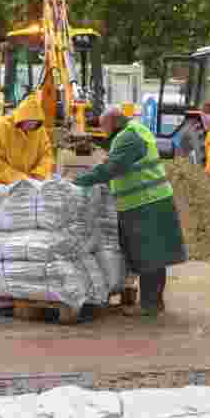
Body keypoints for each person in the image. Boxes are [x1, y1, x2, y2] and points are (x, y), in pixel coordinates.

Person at [72, 106, 188, 318]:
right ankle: (153, 303)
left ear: (113, 122)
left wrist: (78, 183)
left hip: (147, 204)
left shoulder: (129, 137)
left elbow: (112, 168)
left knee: (150, 255)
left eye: (103, 126)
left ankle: (150, 305)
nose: (102, 131)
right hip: (144, 203)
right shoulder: (132, 132)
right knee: (150, 254)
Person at [0, 96, 54, 189]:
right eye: (28, 122)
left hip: (26, 187)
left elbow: (46, 156)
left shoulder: (39, 130)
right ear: (20, 118)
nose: (31, 126)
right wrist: (22, 179)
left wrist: (37, 176)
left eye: (34, 123)